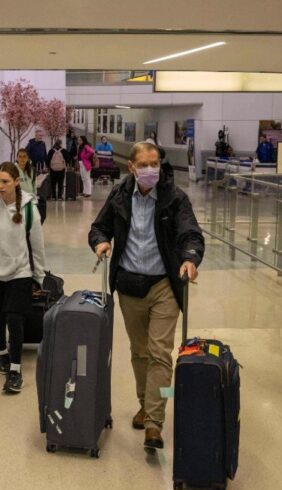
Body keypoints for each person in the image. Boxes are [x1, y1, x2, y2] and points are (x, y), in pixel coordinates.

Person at [89, 141, 204, 449]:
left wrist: (190, 258)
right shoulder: (119, 196)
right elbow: (98, 228)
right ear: (132, 167)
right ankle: (145, 402)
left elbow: (191, 233)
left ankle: (155, 422)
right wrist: (101, 243)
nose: (152, 170)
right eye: (145, 164)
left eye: (156, 164)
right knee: (139, 353)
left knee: (159, 353)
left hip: (164, 284)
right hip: (128, 286)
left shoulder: (174, 198)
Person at [0, 162, 47, 394]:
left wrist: (39, 276)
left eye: (5, 181)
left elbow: (37, 245)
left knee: (15, 319)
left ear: (16, 181)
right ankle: (2, 354)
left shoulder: (28, 209)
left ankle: (15, 370)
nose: (1, 186)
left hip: (20, 272)